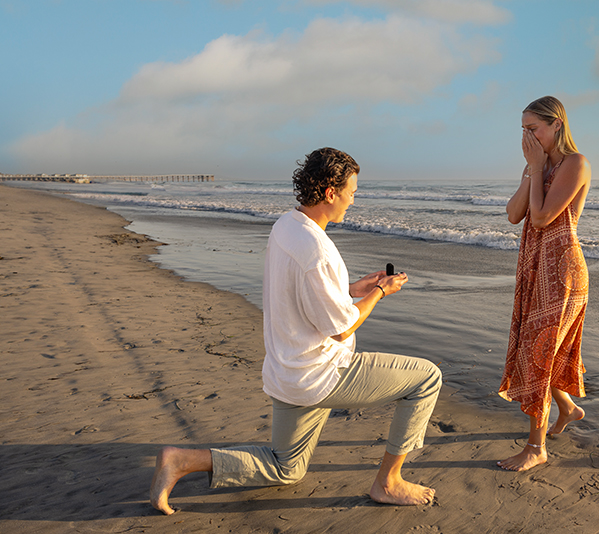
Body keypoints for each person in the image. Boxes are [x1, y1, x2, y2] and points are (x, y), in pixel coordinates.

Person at [150, 147, 442, 513]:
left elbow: (302, 292)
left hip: (288, 371)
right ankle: (388, 481)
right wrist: (381, 291)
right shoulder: (317, 250)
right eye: (351, 192)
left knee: (286, 468)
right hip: (321, 374)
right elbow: (340, 328)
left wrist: (353, 289)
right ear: (330, 192)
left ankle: (181, 460)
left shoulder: (287, 225)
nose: (353, 200)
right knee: (427, 378)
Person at [497, 96, 591, 472]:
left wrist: (535, 171)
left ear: (556, 125)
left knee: (541, 353)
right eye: (522, 129)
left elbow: (541, 217)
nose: (527, 136)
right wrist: (531, 169)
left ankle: (536, 447)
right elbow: (513, 214)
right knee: (536, 347)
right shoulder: (535, 164)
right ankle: (567, 409)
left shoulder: (576, 164)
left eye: (533, 128)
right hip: (535, 267)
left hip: (563, 273)